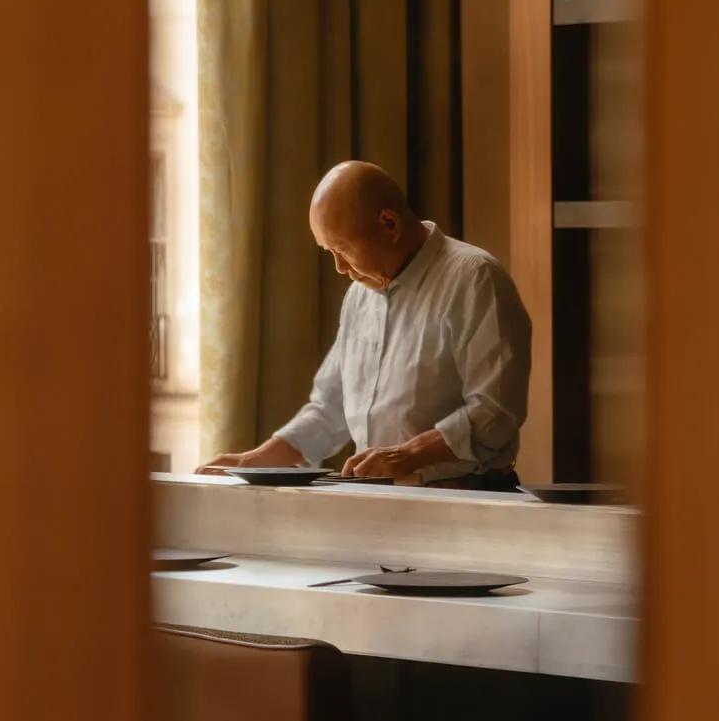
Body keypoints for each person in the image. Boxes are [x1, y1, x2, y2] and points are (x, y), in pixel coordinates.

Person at [198, 161, 532, 487]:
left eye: (343, 249)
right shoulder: (360, 295)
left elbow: (496, 411)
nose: (339, 268)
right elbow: (329, 408)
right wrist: (251, 461)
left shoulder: (475, 278)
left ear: (390, 224)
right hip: (378, 501)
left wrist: (409, 454)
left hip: (465, 499)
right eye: (329, 252)